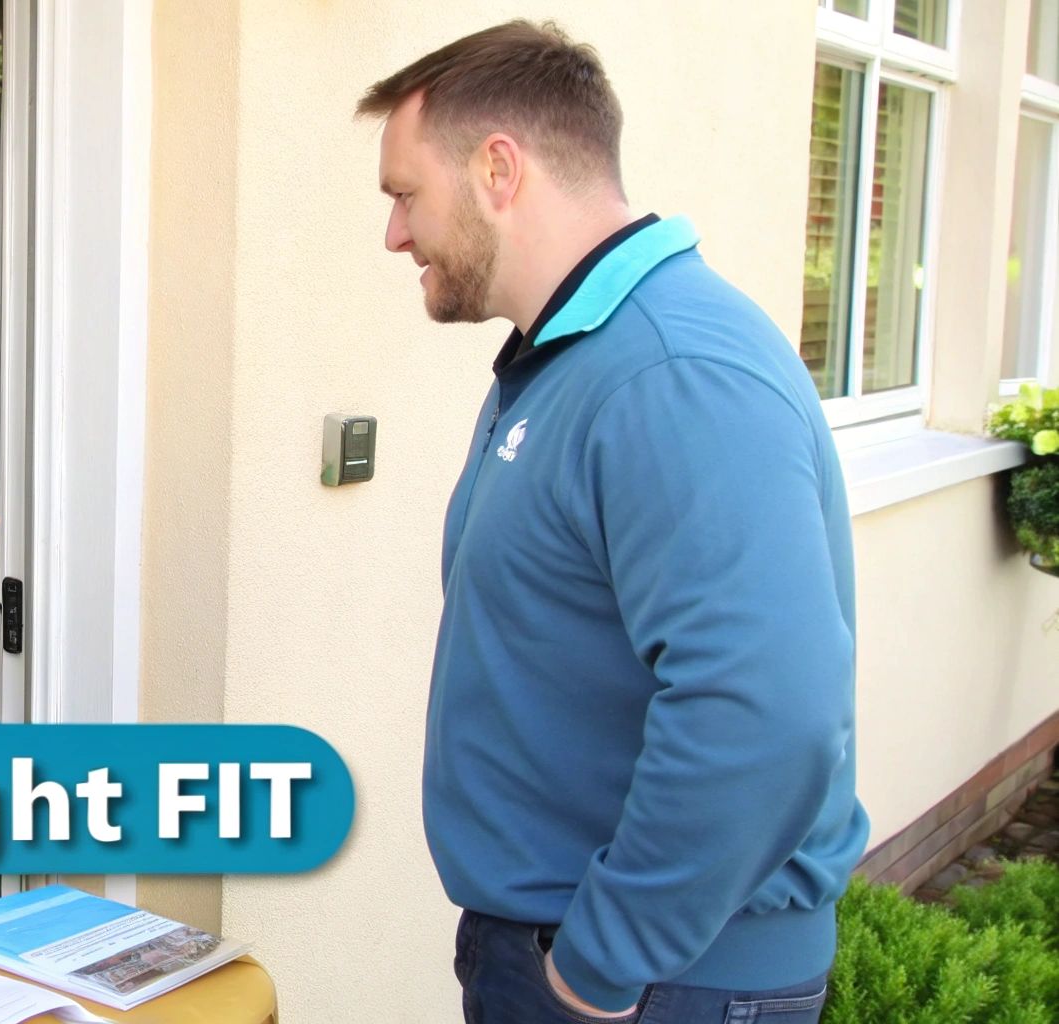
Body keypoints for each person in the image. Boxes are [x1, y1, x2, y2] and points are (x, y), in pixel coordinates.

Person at [356, 21, 868, 1023]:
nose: (395, 235)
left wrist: (599, 963)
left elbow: (765, 708)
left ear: (497, 168)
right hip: (589, 959)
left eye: (404, 194)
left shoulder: (673, 371)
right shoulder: (571, 357)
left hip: (659, 982)